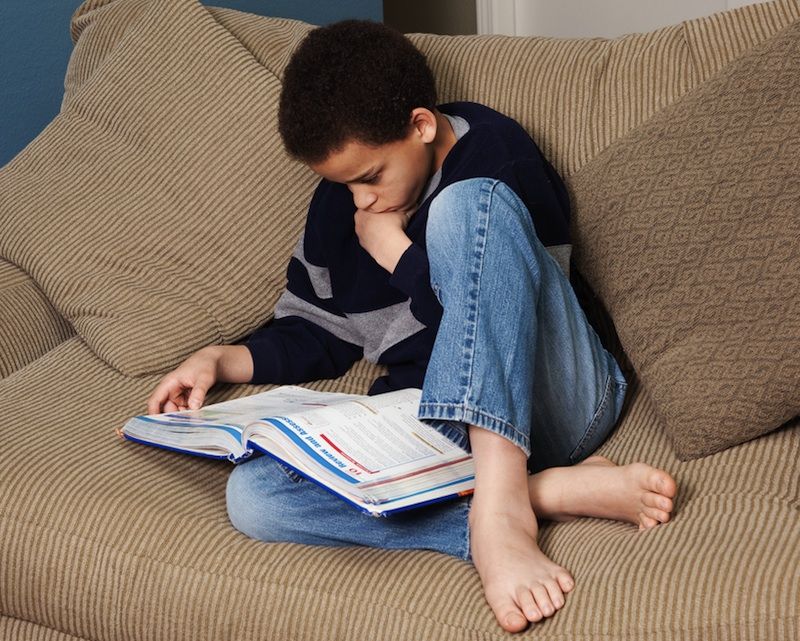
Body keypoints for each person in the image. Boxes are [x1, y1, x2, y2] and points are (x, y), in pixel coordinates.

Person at [147, 20, 678, 633]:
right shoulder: (342, 205)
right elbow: (319, 330)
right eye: (341, 183)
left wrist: (398, 256)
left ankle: (503, 511)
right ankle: (541, 496)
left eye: (370, 177)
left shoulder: (493, 157)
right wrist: (219, 358)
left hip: (550, 393)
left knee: (464, 208)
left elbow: (505, 310)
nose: (361, 201)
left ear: (421, 126)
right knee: (256, 498)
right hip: (436, 421)